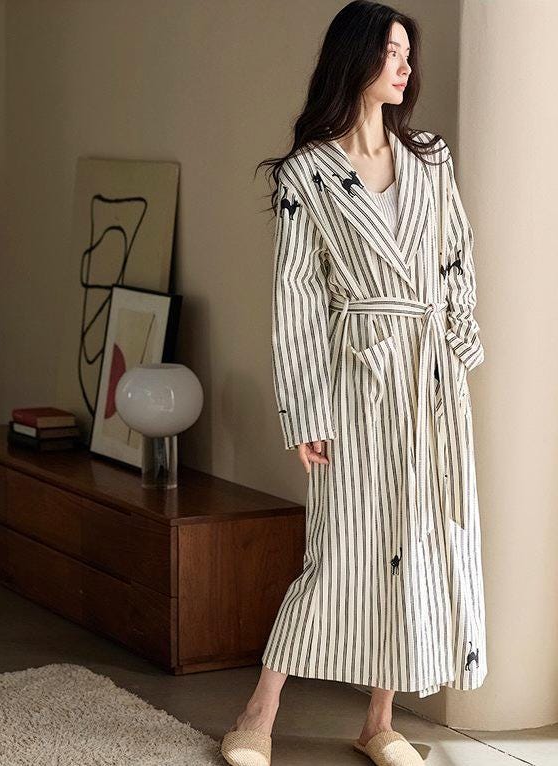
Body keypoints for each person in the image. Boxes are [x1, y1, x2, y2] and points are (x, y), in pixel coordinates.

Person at [221, 2, 487, 765]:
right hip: (357, 379)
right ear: (356, 57)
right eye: (391, 52)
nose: (405, 67)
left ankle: (378, 721)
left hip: (428, 382)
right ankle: (258, 714)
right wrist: (306, 409)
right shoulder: (306, 174)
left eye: (408, 54)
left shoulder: (429, 158)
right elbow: (297, 297)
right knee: (338, 550)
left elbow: (456, 257)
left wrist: (456, 341)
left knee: (417, 541)